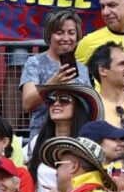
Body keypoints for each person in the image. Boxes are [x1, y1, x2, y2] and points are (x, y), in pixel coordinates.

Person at [25, 84, 104, 192]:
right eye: (51, 100)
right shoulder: (37, 141)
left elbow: (97, 181)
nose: (56, 104)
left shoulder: (87, 144)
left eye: (64, 100)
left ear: (78, 107)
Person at [20, 9, 91, 138]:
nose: (66, 38)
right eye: (59, 33)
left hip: (75, 135)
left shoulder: (82, 69)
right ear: (49, 35)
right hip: (41, 135)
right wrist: (53, 84)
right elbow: (27, 104)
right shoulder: (35, 62)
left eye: (71, 33)